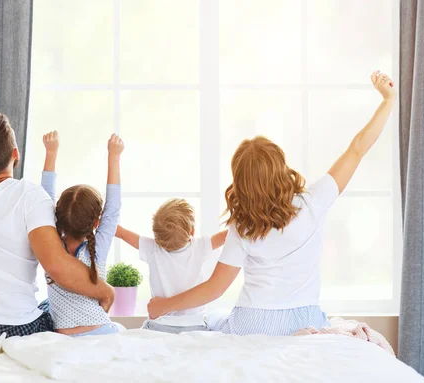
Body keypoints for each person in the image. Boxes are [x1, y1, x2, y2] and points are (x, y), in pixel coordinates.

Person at [147, 71, 396, 336]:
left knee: (215, 317)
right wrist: (387, 100)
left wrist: (164, 305)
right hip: (306, 318)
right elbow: (357, 148)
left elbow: (214, 289)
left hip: (254, 322)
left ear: (241, 183)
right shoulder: (314, 201)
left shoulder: (243, 227)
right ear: (281, 167)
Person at [0, 37, 113, 338]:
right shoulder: (30, 197)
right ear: (15, 155)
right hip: (16, 327)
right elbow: (56, 266)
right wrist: (105, 290)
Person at [40, 131, 124, 336]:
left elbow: (43, 199)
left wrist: (51, 153)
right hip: (101, 330)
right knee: (121, 330)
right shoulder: (98, 248)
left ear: (56, 218)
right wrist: (114, 157)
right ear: (96, 222)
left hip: (65, 334)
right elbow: (113, 210)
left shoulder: (51, 246)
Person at [116, 199, 227, 333]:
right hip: (194, 325)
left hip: (159, 325)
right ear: (192, 231)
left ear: (156, 236)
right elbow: (226, 236)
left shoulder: (152, 248)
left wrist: (104, 223)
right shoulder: (200, 246)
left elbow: (121, 233)